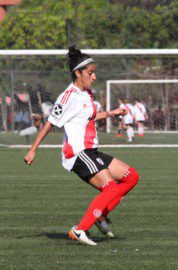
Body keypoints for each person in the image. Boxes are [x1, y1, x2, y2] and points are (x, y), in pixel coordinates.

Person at [23, 46, 140, 246]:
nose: (94, 77)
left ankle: (101, 217)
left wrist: (111, 113)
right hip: (77, 153)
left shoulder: (87, 93)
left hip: (91, 151)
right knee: (110, 188)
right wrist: (33, 149)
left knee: (132, 177)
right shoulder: (67, 97)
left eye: (94, 73)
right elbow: (50, 123)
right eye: (90, 73)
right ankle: (80, 229)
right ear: (77, 73)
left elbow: (90, 116)